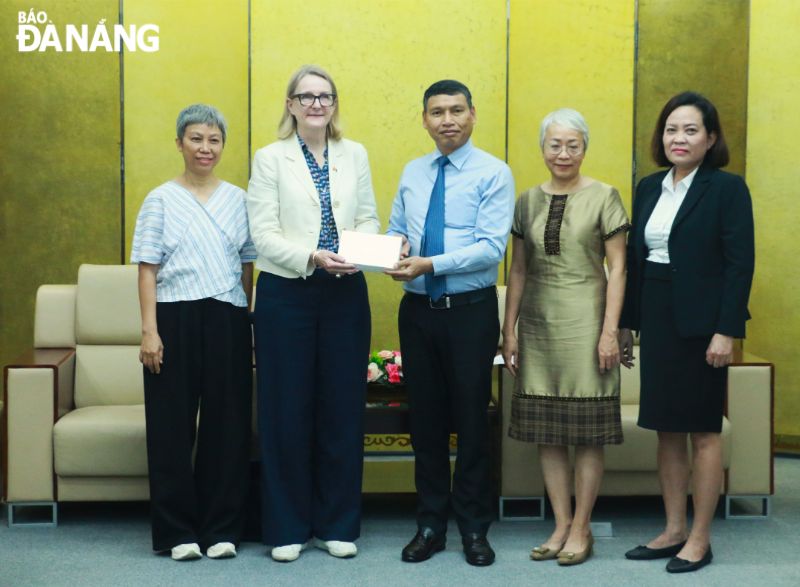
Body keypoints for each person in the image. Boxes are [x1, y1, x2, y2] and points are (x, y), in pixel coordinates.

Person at [247, 65, 380, 562]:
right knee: (285, 409)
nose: (316, 104)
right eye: (306, 96)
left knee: (342, 408)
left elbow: (367, 215)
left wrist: (360, 249)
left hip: (346, 290)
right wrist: (312, 256)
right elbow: (263, 234)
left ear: (335, 103)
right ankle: (286, 527)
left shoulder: (355, 154)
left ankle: (336, 524)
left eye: (325, 96)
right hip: (287, 292)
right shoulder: (270, 159)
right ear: (290, 104)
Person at [620, 92, 755, 573]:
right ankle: (673, 528)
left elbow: (740, 266)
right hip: (656, 317)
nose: (679, 138)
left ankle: (700, 537)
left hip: (701, 326)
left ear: (711, 137)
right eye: (671, 129)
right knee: (666, 429)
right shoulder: (649, 186)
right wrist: (625, 324)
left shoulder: (727, 189)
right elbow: (637, 262)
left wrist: (726, 330)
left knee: (702, 430)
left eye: (691, 130)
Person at [386, 79, 515, 567]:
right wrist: (397, 247)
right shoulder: (413, 171)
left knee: (470, 422)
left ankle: (475, 528)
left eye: (456, 110)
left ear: (473, 114)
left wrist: (428, 264)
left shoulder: (494, 173)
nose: (447, 120)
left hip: (469, 313)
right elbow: (400, 226)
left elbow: (490, 249)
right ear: (424, 120)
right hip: (417, 313)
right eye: (437, 112)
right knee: (427, 423)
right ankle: (430, 523)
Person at [501, 108, 629, 566]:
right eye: (555, 144)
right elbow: (517, 269)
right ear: (542, 148)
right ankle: (560, 523)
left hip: (589, 321)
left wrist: (610, 331)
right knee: (548, 432)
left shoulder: (605, 196)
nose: (563, 153)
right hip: (538, 323)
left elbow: (618, 268)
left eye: (573, 144)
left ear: (584, 147)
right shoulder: (527, 200)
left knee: (587, 433)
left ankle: (582, 527)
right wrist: (508, 330)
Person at [131, 104, 255, 561]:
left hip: (227, 317)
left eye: (214, 140)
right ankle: (177, 533)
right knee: (170, 429)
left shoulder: (239, 199)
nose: (206, 148)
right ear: (180, 142)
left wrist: (244, 316)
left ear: (223, 146)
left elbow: (248, 264)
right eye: (196, 139)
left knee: (228, 427)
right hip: (173, 319)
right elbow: (147, 269)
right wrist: (150, 331)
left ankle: (222, 529)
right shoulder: (160, 199)